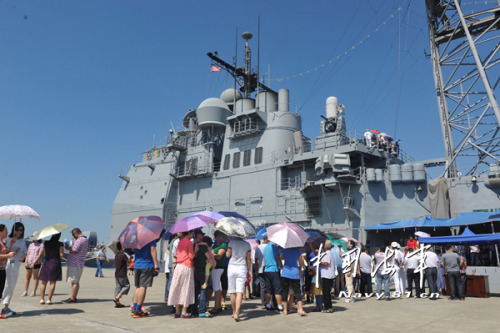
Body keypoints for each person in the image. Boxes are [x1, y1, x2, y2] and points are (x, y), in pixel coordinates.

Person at [168, 230, 196, 318]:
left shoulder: (179, 242)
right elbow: (191, 256)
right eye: (192, 233)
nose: (193, 234)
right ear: (189, 233)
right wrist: (196, 251)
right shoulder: (189, 243)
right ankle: (184, 311)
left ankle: (177, 311)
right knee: (186, 288)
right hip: (186, 266)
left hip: (178, 266)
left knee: (177, 287)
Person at [2, 222, 27, 317]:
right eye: (17, 230)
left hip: (17, 265)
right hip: (8, 264)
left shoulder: (22, 241)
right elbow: (7, 252)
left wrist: (23, 256)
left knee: (12, 287)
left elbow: (25, 251)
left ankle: (5, 307)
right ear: (14, 229)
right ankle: (2, 298)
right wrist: (12, 245)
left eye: (21, 230)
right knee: (10, 285)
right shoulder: (8, 239)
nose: (19, 232)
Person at [131, 237, 159, 318]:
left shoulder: (136, 237)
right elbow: (153, 249)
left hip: (137, 264)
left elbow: (133, 250)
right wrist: (156, 265)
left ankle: (135, 309)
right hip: (147, 264)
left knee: (138, 287)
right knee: (143, 287)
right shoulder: (150, 236)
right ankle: (138, 311)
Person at [226, 236, 251, 321]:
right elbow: (248, 259)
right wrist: (248, 271)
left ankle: (233, 312)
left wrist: (228, 247)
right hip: (242, 267)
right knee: (239, 292)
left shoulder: (231, 243)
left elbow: (227, 255)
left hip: (232, 267)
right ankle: (237, 312)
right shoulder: (247, 244)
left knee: (232, 292)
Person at [63, 228, 89, 304]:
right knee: (75, 281)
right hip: (79, 263)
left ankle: (73, 298)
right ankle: (73, 296)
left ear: (75, 234)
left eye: (74, 236)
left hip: (75, 264)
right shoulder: (85, 239)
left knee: (74, 282)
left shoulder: (80, 240)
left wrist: (67, 247)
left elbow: (74, 250)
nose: (74, 237)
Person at [192, 230, 214, 318]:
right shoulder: (203, 246)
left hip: (195, 270)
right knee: (203, 291)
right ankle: (202, 311)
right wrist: (212, 265)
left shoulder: (193, 245)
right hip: (204, 271)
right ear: (198, 235)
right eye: (201, 234)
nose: (202, 236)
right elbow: (208, 257)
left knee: (195, 291)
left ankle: (194, 310)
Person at [281, 245, 307, 316]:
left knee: (285, 292)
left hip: (285, 272)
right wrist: (300, 268)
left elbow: (282, 257)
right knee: (297, 292)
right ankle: (300, 309)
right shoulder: (297, 250)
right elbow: (301, 261)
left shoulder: (284, 249)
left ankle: (285, 310)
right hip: (295, 273)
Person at [39, 233, 64, 305]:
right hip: (55, 263)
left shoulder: (46, 243)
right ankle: (49, 300)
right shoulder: (60, 244)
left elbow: (44, 253)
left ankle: (42, 299)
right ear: (59, 236)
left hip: (46, 262)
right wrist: (56, 254)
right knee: (52, 283)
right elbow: (61, 255)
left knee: (43, 282)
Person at [209, 231, 227, 315]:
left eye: (220, 236)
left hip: (218, 267)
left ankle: (216, 306)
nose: (218, 238)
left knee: (216, 287)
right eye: (217, 236)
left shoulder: (223, 245)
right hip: (214, 268)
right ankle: (218, 305)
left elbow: (219, 256)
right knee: (216, 287)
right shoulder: (214, 245)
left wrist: (212, 254)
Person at [0, 225, 16, 319]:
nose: (7, 232)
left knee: (0, 291)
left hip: (2, 269)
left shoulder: (3, 243)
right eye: (5, 230)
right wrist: (8, 255)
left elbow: (8, 253)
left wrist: (12, 245)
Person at [263, 240, 283, 311]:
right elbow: (277, 257)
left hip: (267, 269)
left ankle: (268, 305)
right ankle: (279, 305)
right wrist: (281, 267)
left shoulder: (265, 247)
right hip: (274, 269)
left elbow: (264, 260)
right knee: (277, 288)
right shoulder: (273, 246)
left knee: (268, 289)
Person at [320, 240, 337, 310]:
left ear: (326, 246)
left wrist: (319, 263)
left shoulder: (327, 254)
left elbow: (326, 263)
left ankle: (327, 307)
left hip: (327, 275)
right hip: (329, 274)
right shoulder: (329, 253)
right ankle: (329, 305)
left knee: (326, 292)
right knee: (327, 291)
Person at [253, 234, 268, 309]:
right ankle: (269, 302)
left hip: (260, 269)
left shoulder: (258, 248)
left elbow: (256, 260)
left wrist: (256, 270)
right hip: (269, 269)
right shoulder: (270, 247)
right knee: (269, 286)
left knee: (263, 287)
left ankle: (263, 303)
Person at [113, 242, 129, 308]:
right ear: (122, 247)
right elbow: (129, 261)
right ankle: (116, 298)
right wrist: (130, 258)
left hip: (116, 274)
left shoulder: (116, 255)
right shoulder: (123, 255)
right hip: (122, 274)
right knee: (126, 286)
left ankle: (117, 303)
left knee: (118, 287)